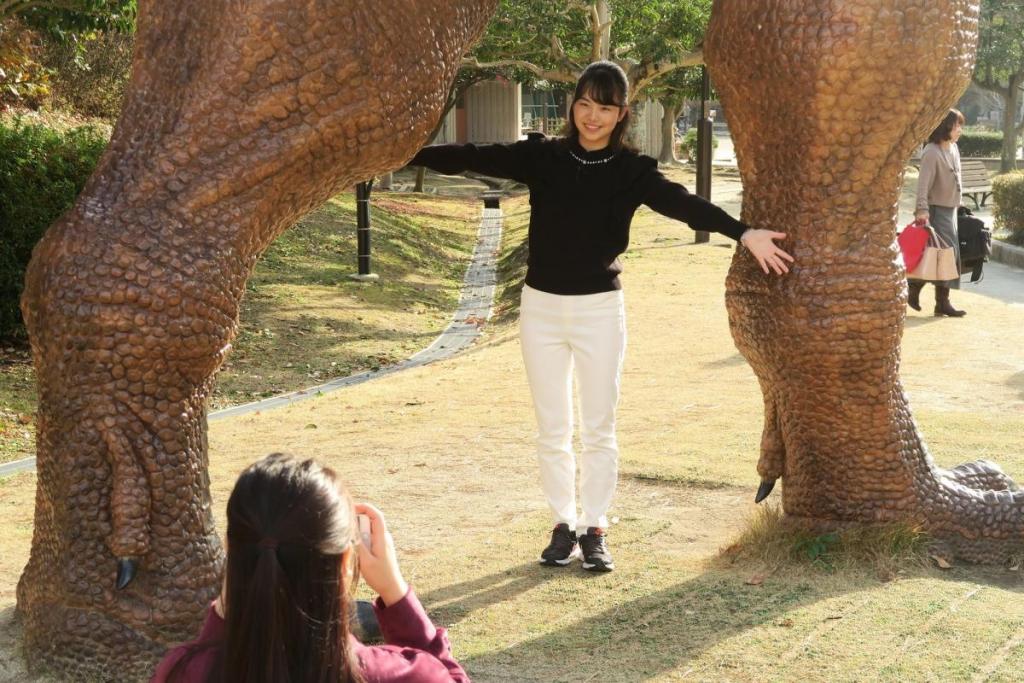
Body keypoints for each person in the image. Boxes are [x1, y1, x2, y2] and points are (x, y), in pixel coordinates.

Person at [410, 61, 792, 573]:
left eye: (605, 107)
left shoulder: (632, 171)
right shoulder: (543, 156)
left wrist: (744, 232)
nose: (593, 116)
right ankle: (562, 523)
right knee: (552, 428)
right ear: (574, 105)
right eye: (585, 103)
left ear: (622, 114)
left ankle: (595, 526)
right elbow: (471, 155)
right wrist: (399, 152)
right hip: (541, 309)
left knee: (598, 428)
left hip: (599, 311)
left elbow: (686, 205)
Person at [151, 453, 468, 683]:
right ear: (347, 562)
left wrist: (223, 614)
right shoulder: (401, 675)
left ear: (233, 556)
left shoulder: (181, 672)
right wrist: (395, 593)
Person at [910, 108, 967, 317]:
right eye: (956, 125)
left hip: (950, 209)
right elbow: (923, 185)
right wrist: (922, 210)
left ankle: (923, 292)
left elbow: (956, 178)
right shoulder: (931, 152)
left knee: (942, 256)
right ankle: (930, 296)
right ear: (946, 127)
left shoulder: (953, 148)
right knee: (943, 255)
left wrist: (959, 202)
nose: (960, 129)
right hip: (935, 210)